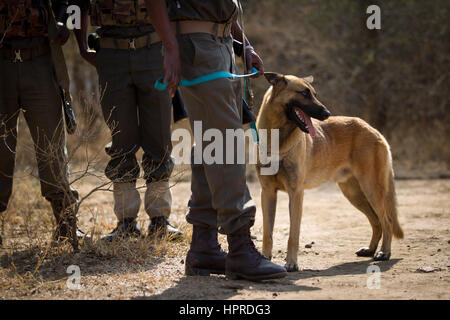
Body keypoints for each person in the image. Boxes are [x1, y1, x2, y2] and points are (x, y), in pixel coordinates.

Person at [148, 0, 288, 281]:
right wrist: (170, 46)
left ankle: (204, 245)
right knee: (226, 144)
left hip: (220, 43)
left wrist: (242, 43)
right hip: (197, 45)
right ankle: (239, 248)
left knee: (212, 143)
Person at [74, 0, 182, 241]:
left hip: (153, 50)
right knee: (121, 138)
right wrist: (81, 46)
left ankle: (160, 220)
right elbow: (75, 4)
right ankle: (125, 222)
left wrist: (173, 47)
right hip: (112, 54)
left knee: (159, 136)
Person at [0, 0, 82, 248]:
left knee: (52, 146)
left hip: (41, 58)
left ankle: (67, 224)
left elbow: (71, 3)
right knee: (0, 147)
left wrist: (64, 21)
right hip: (2, 60)